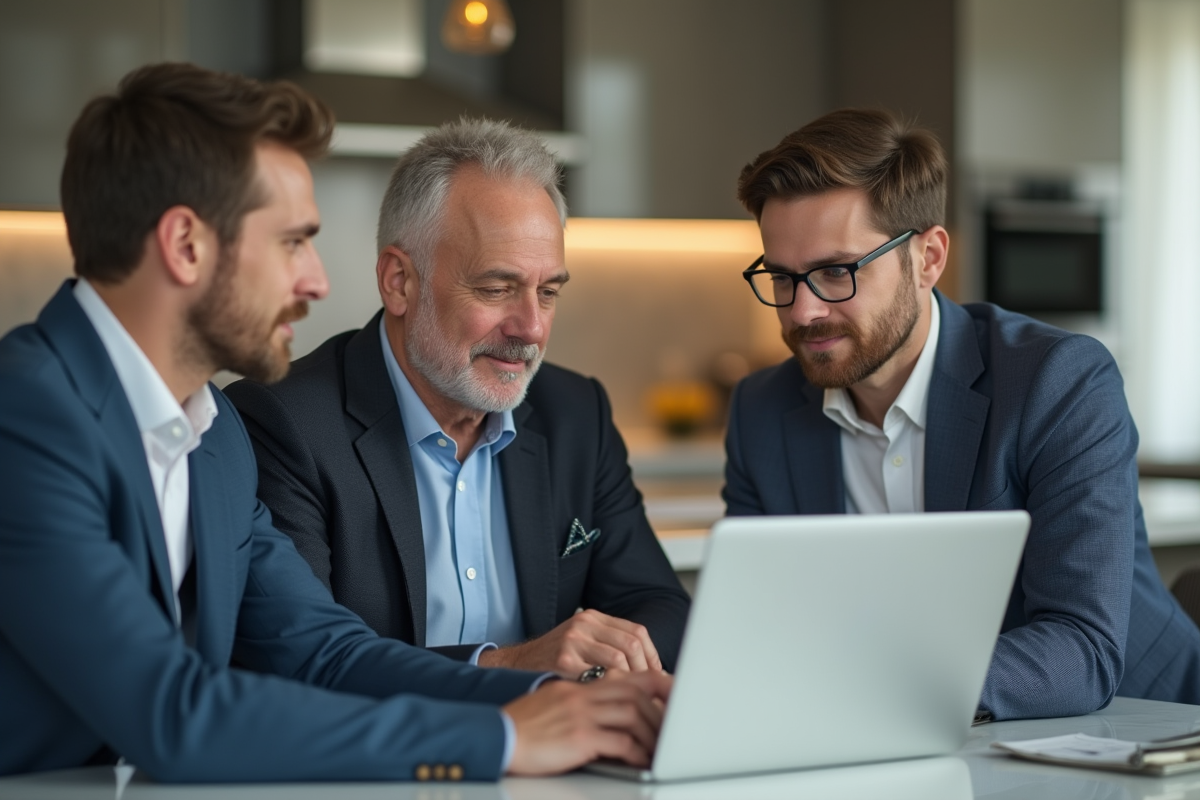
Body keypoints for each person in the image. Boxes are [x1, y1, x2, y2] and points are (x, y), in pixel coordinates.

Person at [0, 63, 670, 782]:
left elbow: (325, 653)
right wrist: (501, 739)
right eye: (292, 242)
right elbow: (175, 712)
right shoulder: (25, 413)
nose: (316, 281)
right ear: (186, 245)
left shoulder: (213, 435)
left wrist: (545, 701)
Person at [723, 108, 1200, 720]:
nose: (802, 312)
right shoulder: (761, 411)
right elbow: (760, 625)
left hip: (1143, 732)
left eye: (837, 272)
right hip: (911, 741)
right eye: (782, 277)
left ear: (928, 258)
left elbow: (1080, 650)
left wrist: (870, 687)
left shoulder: (1058, 381)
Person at [224, 118, 690, 677]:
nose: (531, 328)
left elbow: (660, 606)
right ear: (399, 281)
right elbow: (304, 664)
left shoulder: (577, 413)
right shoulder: (284, 423)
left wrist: (592, 674)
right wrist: (513, 668)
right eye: (496, 289)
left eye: (547, 292)